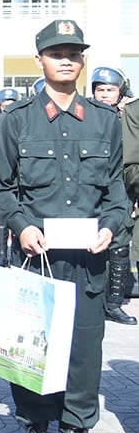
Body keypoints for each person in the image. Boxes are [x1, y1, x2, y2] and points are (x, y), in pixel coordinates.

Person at [0, 20, 127, 433]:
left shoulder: (106, 121)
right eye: (55, 52)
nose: (66, 59)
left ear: (82, 60)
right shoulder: (17, 119)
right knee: (30, 349)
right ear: (39, 60)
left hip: (87, 260)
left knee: (84, 353)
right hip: (36, 256)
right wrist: (21, 227)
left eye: (73, 52)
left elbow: (116, 194)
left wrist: (110, 228)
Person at [89, 67, 136, 325]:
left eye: (110, 90)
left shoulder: (127, 119)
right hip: (92, 191)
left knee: (119, 246)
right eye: (100, 90)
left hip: (122, 191)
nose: (104, 95)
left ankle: (114, 304)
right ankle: (94, 300)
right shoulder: (86, 116)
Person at [0, 88, 22, 269]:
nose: (8, 109)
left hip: (20, 179)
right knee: (1, 219)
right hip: (2, 176)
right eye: (4, 106)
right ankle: (1, 256)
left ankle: (16, 255)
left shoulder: (25, 122)